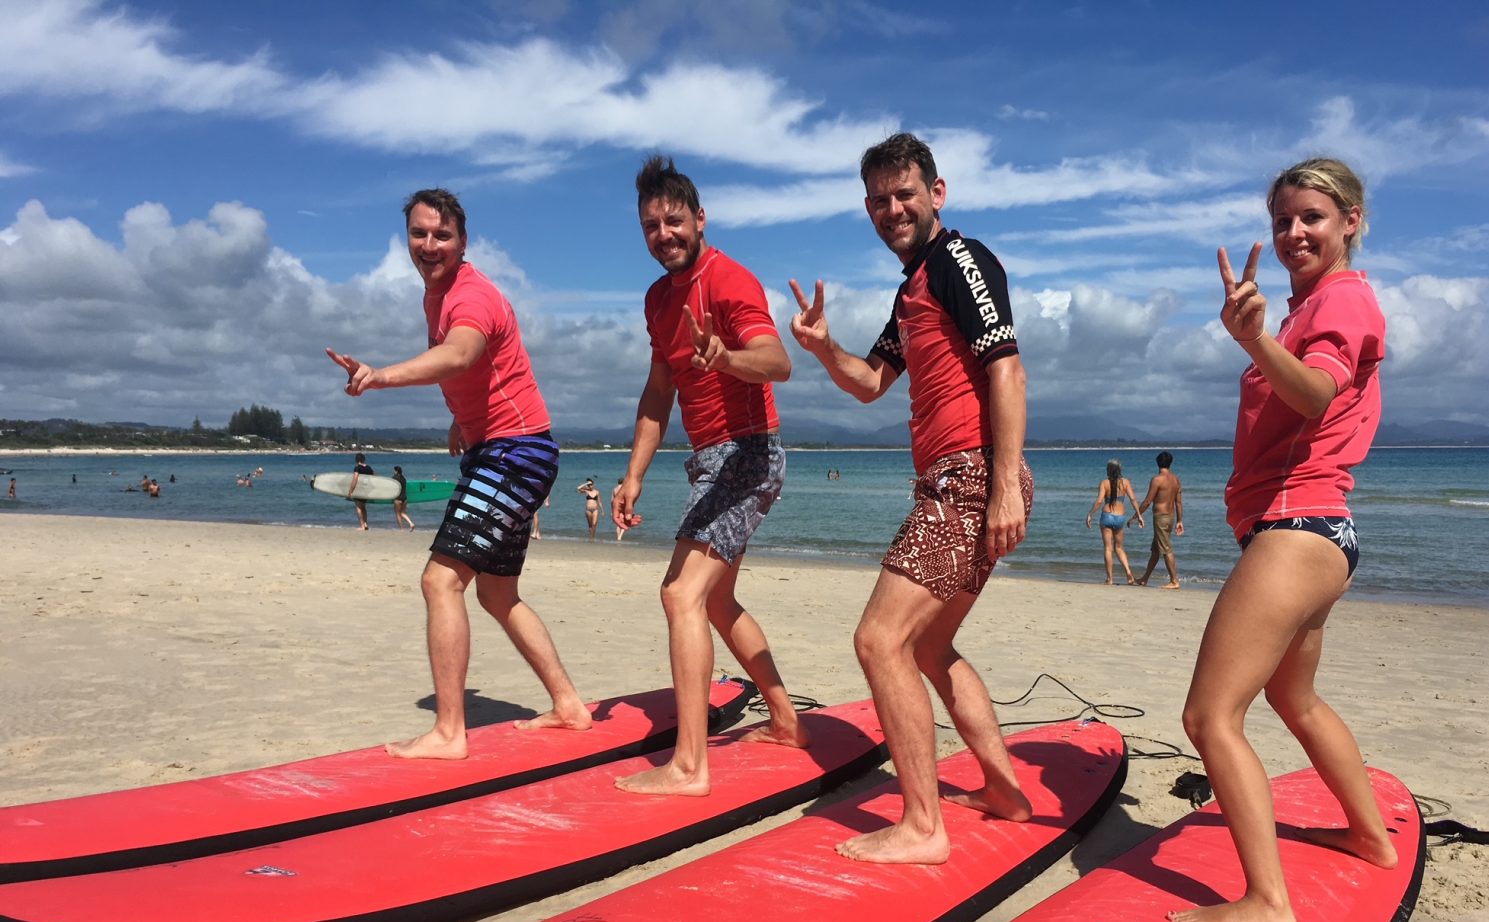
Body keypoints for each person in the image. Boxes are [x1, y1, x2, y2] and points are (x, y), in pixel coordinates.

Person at [1169, 158, 1398, 922]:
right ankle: (1370, 836)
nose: (1294, 232)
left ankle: (1269, 903)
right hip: (1316, 532)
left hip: (1298, 528)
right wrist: (1266, 334)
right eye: (1282, 221)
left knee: (1209, 715)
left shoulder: (1341, 299)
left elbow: (1316, 394)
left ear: (1352, 221)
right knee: (1294, 700)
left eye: (1312, 218)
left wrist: (1256, 339)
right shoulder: (1311, 308)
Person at [788, 132, 1032, 865]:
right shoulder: (913, 288)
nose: (893, 209)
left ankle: (923, 825)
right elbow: (870, 383)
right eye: (879, 200)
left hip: (970, 477)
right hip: (960, 480)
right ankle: (1005, 792)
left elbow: (1007, 369)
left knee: (878, 640)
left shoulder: (959, 260)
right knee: (926, 645)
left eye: (905, 194)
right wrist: (823, 348)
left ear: (937, 193)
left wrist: (1002, 486)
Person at [327, 187, 589, 758]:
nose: (429, 245)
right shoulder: (437, 295)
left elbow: (461, 354)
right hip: (511, 447)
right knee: (496, 593)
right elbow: (479, 371)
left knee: (439, 581)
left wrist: (380, 376)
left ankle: (449, 732)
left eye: (442, 235)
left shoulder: (471, 295)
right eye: (419, 234)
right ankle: (569, 704)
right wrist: (462, 419)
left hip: (514, 454)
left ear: (463, 241)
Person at [612, 154, 809, 795]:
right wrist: (634, 475)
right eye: (650, 225)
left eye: (674, 220)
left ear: (700, 218)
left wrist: (726, 357)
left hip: (749, 453)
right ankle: (786, 720)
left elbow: (777, 362)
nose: (663, 234)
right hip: (710, 461)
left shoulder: (728, 280)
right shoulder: (657, 299)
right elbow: (658, 392)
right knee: (715, 601)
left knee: (680, 595)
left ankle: (690, 766)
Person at [1085, 459, 1143, 585]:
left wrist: (1090, 514)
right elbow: (1133, 499)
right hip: (1120, 517)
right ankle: (1129, 573)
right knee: (1119, 548)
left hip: (1107, 516)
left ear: (1108, 470)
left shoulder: (1104, 483)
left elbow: (1099, 501)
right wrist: (1139, 515)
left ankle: (1110, 579)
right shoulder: (1125, 482)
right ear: (1119, 470)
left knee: (1108, 548)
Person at [1136, 451, 1184, 588]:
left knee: (1166, 549)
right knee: (1156, 550)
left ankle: (1174, 581)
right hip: (1170, 517)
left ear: (1157, 463)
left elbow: (1147, 501)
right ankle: (1145, 578)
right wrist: (1180, 520)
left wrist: (1136, 515)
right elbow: (1178, 503)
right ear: (1170, 463)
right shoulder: (1176, 480)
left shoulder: (1157, 480)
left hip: (1160, 518)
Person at [346, 452, 373, 530]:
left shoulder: (357, 468)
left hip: (359, 490)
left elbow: (355, 479)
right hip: (366, 490)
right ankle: (365, 523)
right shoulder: (369, 468)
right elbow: (374, 477)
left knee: (358, 508)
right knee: (363, 507)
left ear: (356, 460)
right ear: (364, 459)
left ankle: (362, 526)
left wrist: (350, 491)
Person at [391, 465, 416, 532]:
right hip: (404, 498)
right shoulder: (404, 478)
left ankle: (401, 529)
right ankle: (411, 523)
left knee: (398, 513)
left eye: (394, 470)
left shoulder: (394, 478)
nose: (393, 472)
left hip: (398, 498)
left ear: (396, 471)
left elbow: (391, 487)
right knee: (403, 513)